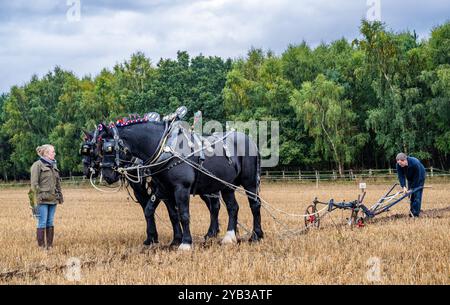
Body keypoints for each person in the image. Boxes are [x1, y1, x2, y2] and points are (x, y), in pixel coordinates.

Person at [29, 144, 64, 249]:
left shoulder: (54, 165)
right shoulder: (37, 165)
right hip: (42, 200)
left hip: (53, 199)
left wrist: (60, 196)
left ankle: (49, 246)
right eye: (53, 152)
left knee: (50, 222)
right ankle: (41, 247)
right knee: (42, 222)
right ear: (46, 153)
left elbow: (58, 183)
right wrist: (33, 203)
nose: (55, 153)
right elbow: (33, 185)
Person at [395, 153, 425, 217]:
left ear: (404, 160)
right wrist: (404, 186)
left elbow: (417, 177)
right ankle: (412, 211)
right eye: (398, 163)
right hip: (410, 177)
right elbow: (401, 176)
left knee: (417, 194)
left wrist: (412, 188)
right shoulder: (398, 165)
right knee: (411, 195)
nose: (399, 165)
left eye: (400, 163)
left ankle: (416, 214)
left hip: (420, 176)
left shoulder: (415, 163)